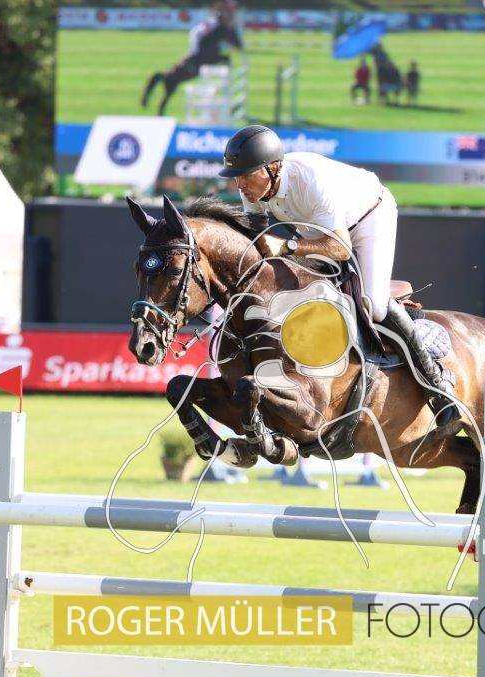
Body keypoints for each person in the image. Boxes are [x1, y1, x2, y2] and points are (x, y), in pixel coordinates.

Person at [218, 124, 459, 434]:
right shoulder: (253, 187)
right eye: (236, 177)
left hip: (368, 217)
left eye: (247, 175)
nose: (240, 184)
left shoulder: (310, 180)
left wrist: (287, 246)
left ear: (273, 168)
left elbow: (340, 248)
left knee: (374, 304)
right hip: (319, 229)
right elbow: (258, 237)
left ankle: (436, 382)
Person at [141, 0, 243, 115]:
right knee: (198, 54)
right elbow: (206, 35)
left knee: (210, 54)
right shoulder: (217, 24)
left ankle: (159, 112)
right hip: (197, 39)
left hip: (201, 39)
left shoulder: (217, 23)